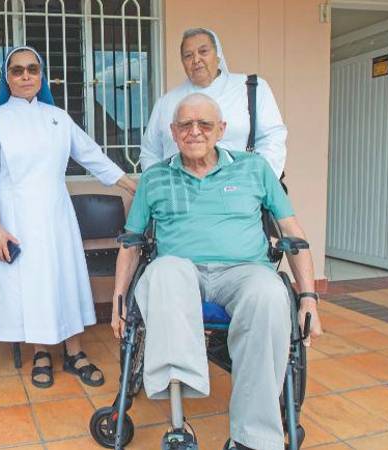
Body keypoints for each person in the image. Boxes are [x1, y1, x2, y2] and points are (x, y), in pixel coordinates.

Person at [110, 93, 324, 450]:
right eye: (185, 125)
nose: (195, 131)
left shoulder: (255, 169)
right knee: (163, 272)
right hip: (179, 274)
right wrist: (119, 297)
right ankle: (179, 426)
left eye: (204, 124)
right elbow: (132, 243)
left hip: (243, 272)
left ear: (221, 129)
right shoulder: (154, 177)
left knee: (270, 293)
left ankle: (251, 439)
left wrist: (309, 299)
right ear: (173, 132)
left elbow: (293, 234)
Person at [0, 46, 138, 389]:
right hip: (16, 216)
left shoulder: (58, 118)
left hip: (57, 215)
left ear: (41, 75)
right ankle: (41, 353)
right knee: (33, 285)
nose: (25, 76)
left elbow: (92, 155)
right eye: (17, 70)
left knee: (65, 280)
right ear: (7, 77)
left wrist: (132, 185)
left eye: (32, 69)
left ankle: (76, 351)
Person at [139, 28, 289, 179]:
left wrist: (258, 184)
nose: (196, 60)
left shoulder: (250, 88)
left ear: (218, 56)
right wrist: (161, 187)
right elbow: (150, 152)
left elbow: (272, 139)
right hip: (181, 195)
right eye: (188, 55)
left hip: (241, 191)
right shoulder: (166, 102)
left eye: (203, 51)